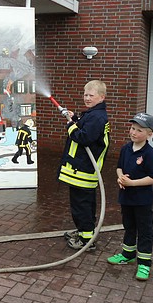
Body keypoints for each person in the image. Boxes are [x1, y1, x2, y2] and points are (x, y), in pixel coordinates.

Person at [107, 112, 153, 281]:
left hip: (142, 200)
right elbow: (119, 167)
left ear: (149, 134)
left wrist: (132, 183)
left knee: (144, 230)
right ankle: (128, 254)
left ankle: (144, 263)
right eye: (132, 128)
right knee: (129, 225)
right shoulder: (126, 149)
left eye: (139, 130)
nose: (134, 133)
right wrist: (120, 177)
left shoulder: (150, 154)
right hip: (126, 198)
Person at [58, 80, 110, 251]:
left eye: (91, 95)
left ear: (101, 97)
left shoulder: (97, 117)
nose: (87, 98)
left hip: (83, 170)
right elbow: (85, 127)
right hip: (81, 170)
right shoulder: (93, 114)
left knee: (82, 206)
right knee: (82, 204)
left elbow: (84, 137)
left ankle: (87, 240)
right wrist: (74, 118)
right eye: (85, 94)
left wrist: (70, 126)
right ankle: (83, 231)